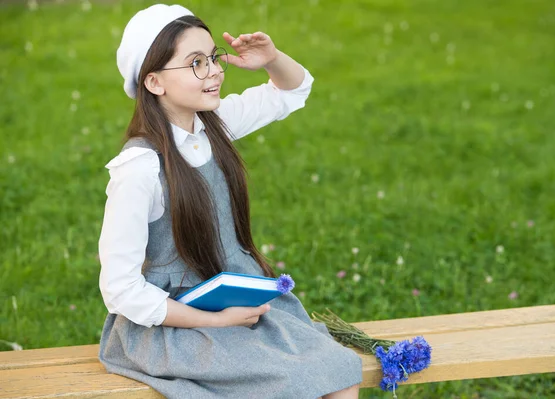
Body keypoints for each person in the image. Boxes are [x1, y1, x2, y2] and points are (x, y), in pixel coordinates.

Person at [97, 4, 362, 399]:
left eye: (214, 57)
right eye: (196, 63)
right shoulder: (139, 169)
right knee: (290, 379)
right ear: (154, 82)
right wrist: (217, 321)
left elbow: (292, 90)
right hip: (169, 325)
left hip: (231, 298)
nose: (217, 70)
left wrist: (272, 59)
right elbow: (120, 289)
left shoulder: (215, 124)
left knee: (338, 368)